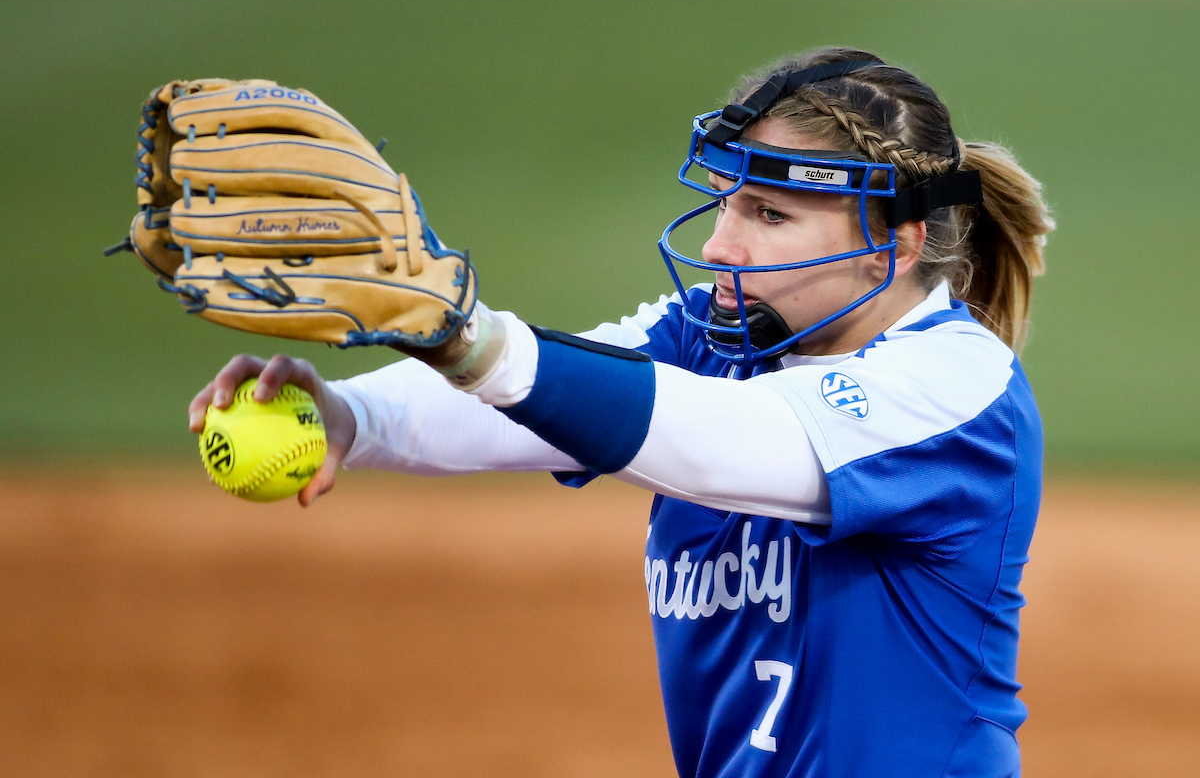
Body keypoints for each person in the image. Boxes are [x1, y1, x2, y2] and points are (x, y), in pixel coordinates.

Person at [188, 47, 1053, 777]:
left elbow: (713, 441)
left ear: (892, 248)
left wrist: (467, 340)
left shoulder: (953, 388)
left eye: (770, 214)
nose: (720, 244)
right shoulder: (717, 336)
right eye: (726, 201)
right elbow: (534, 402)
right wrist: (350, 416)